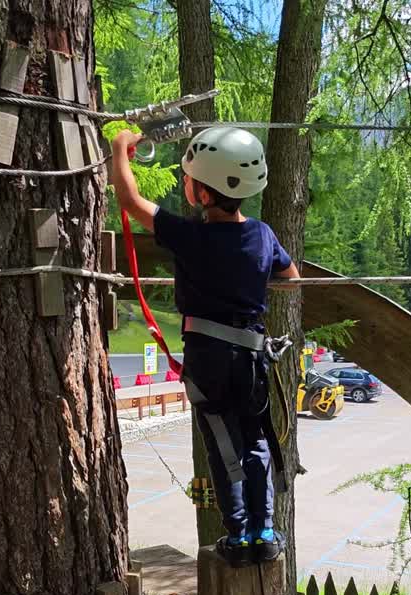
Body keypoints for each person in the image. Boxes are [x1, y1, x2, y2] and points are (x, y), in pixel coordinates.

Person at [109, 126, 300, 568]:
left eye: (189, 180)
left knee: (221, 440)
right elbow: (289, 277)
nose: (185, 185)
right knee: (253, 441)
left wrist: (120, 147)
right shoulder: (263, 236)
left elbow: (130, 200)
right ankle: (264, 531)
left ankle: (237, 533)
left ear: (202, 193)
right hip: (252, 358)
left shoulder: (190, 236)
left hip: (209, 361)